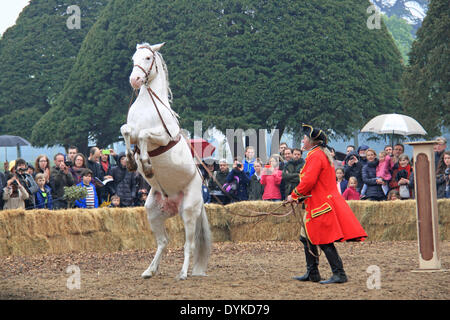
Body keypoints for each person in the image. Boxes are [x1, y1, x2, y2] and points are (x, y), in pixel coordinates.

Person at [287, 124, 367, 284]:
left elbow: (309, 180)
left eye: (305, 138)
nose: (303, 140)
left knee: (324, 240)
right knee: (306, 237)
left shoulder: (316, 155)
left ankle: (339, 274)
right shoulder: (317, 154)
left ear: (312, 141)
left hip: (321, 204)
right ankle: (313, 273)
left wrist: (294, 195)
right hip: (318, 202)